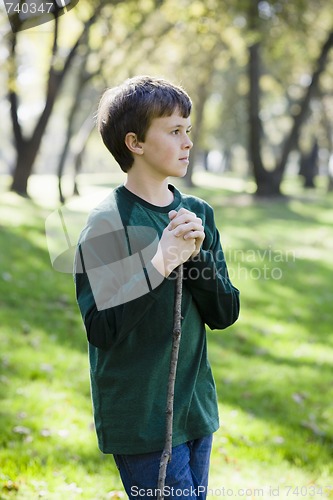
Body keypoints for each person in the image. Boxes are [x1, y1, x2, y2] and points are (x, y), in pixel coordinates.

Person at [74, 75, 240, 499]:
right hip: (141, 418)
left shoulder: (197, 213)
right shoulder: (108, 223)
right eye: (173, 131)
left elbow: (225, 313)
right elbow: (102, 328)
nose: (187, 142)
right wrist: (162, 260)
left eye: (188, 129)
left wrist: (197, 253)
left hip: (195, 409)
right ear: (135, 143)